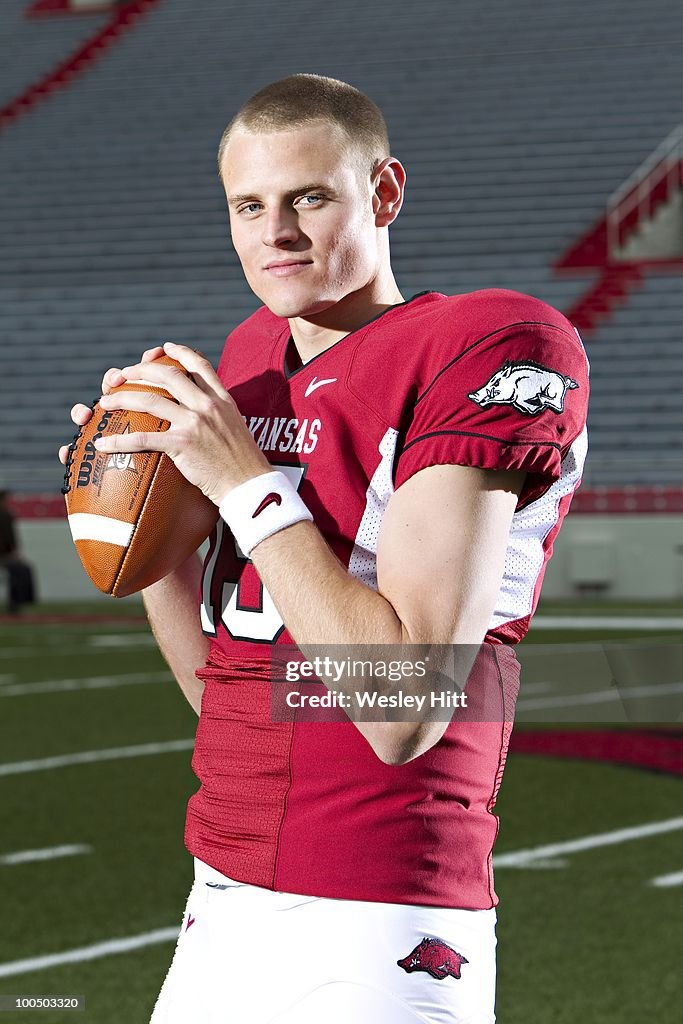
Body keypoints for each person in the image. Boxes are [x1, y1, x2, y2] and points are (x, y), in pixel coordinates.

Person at [59, 74, 589, 1023]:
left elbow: (401, 709)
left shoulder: (491, 343)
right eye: (249, 205)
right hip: (218, 891)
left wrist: (240, 487)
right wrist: (152, 529)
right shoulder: (251, 355)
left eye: (309, 196)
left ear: (383, 193)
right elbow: (227, 688)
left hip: (381, 906)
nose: (278, 234)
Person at [0, 491, 36, 615]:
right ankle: (17, 603)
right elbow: (9, 537)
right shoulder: (5, 515)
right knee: (21, 570)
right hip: (4, 555)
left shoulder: (6, 514)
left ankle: (16, 603)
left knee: (19, 570)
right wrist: (14, 552)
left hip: (5, 554)